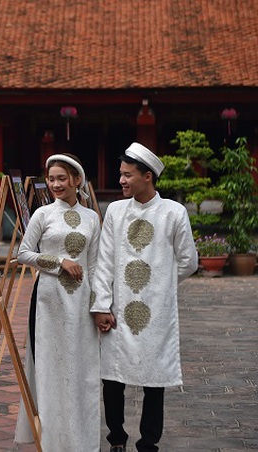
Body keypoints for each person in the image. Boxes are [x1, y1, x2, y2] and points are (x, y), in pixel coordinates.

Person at [90, 142, 198, 452]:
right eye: (120, 174)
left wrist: (158, 283)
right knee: (112, 377)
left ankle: (149, 441)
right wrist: (101, 306)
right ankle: (117, 439)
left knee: (154, 378)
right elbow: (104, 261)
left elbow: (188, 260)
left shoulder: (173, 213)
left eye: (127, 175)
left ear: (147, 176)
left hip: (157, 309)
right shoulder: (115, 211)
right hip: (117, 307)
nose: (121, 180)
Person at [15, 153, 102, 451]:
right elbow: (23, 254)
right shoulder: (42, 215)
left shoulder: (92, 218)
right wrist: (59, 262)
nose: (55, 184)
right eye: (51, 179)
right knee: (52, 367)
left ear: (77, 180)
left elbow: (95, 265)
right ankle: (52, 440)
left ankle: (82, 439)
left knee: (82, 369)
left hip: (80, 303)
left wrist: (98, 305)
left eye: (61, 178)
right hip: (49, 302)